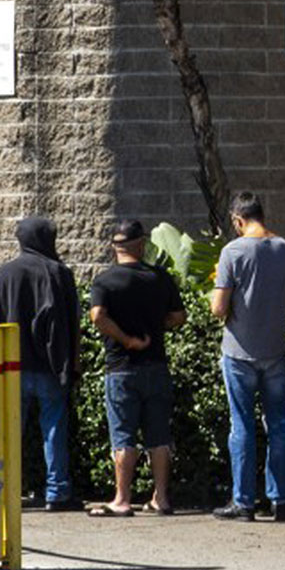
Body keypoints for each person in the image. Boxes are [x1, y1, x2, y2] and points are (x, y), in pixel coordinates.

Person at [210, 192, 285, 522]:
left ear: (238, 220)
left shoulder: (232, 252)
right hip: (275, 349)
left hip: (238, 351)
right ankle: (281, 500)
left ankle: (244, 502)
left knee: (243, 426)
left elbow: (218, 307)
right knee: (279, 424)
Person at [86, 220, 186, 517]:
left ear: (115, 247)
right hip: (156, 365)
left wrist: (125, 339)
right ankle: (161, 499)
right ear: (141, 244)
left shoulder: (105, 281)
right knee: (158, 435)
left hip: (120, 368)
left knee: (123, 435)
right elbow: (179, 316)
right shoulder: (160, 278)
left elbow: (97, 316)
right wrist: (158, 326)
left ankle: (122, 499)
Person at [0, 217, 82, 511]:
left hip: (11, 366)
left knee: (10, 431)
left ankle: (6, 489)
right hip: (49, 366)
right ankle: (57, 492)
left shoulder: (4, 273)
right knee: (53, 429)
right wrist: (71, 364)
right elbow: (70, 323)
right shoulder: (58, 272)